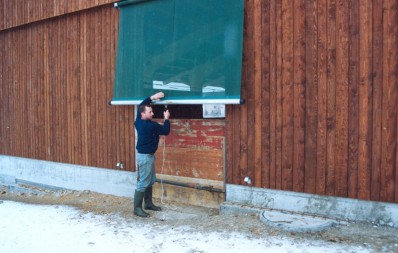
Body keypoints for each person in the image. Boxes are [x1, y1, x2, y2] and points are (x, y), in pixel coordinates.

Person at [133, 92, 170, 217]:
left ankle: (148, 204)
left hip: (147, 156)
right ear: (143, 114)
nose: (153, 113)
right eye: (150, 112)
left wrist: (151, 98)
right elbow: (166, 131)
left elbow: (141, 105)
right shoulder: (151, 126)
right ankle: (137, 209)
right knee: (143, 182)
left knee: (150, 180)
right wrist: (166, 118)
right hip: (145, 158)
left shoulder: (138, 121)